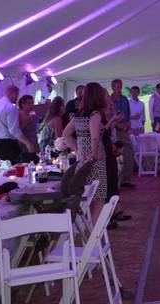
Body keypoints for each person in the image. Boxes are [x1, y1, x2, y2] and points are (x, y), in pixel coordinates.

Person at [62, 83, 109, 224]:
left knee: (88, 197)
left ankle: (91, 232)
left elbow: (66, 134)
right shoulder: (96, 114)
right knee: (99, 197)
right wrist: (94, 154)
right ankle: (96, 235)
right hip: (95, 161)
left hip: (82, 160)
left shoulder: (78, 115)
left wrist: (78, 150)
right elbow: (95, 136)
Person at [0, 84, 35, 162]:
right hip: (7, 143)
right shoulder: (11, 107)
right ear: (13, 94)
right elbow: (14, 130)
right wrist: (28, 143)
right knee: (13, 168)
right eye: (17, 94)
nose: (17, 97)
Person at [109, 79, 136, 189]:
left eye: (120, 86)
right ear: (112, 87)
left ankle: (126, 180)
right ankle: (115, 182)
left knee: (129, 153)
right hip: (113, 130)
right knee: (115, 156)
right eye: (116, 86)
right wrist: (116, 124)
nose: (118, 88)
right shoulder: (109, 100)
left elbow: (128, 114)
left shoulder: (125, 99)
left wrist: (128, 124)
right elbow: (108, 116)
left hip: (124, 130)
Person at [17, 95, 40, 163]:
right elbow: (18, 129)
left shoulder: (31, 113)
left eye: (32, 103)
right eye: (29, 103)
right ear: (22, 104)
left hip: (34, 140)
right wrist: (29, 119)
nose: (31, 105)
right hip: (25, 143)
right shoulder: (19, 114)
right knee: (27, 162)